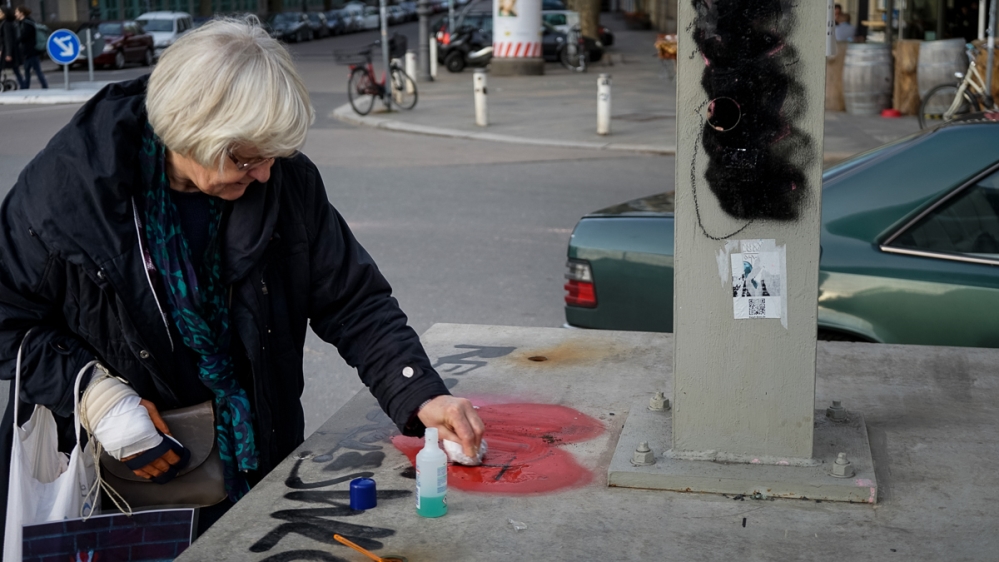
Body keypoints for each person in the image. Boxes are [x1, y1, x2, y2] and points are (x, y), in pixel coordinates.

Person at [0, 16, 484, 545]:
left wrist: (418, 393)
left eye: (272, 155)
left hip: (256, 464)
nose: (265, 174)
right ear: (190, 131)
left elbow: (352, 300)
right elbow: (7, 321)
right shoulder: (68, 194)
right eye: (246, 157)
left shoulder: (286, 182)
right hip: (118, 488)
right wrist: (96, 395)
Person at [14, 6, 47, 89]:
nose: (15, 14)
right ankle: (26, 87)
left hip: (31, 51)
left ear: (22, 13)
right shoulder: (24, 22)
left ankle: (44, 86)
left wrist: (15, 41)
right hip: (28, 51)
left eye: (17, 12)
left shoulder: (27, 23)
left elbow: (24, 36)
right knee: (27, 70)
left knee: (36, 70)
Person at [0, 6, 25, 87]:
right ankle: (23, 85)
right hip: (10, 50)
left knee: (14, 69)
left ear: (4, 14)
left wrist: (8, 54)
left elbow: (8, 39)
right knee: (15, 69)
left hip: (6, 51)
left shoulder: (6, 24)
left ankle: (23, 85)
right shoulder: (10, 23)